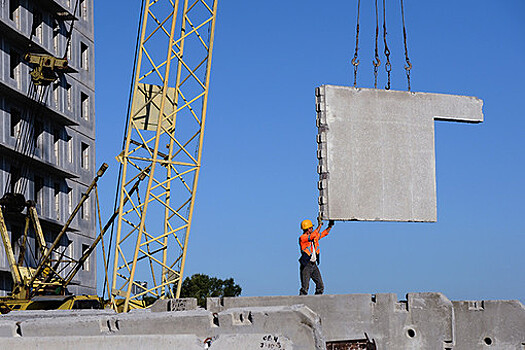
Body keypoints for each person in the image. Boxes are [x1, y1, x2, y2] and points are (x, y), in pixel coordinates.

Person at [298, 217, 334, 295]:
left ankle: (317, 300)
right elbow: (312, 236)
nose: (312, 229)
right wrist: (320, 225)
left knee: (320, 286)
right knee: (305, 288)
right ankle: (301, 302)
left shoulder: (313, 237)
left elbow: (323, 233)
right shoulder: (303, 238)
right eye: (311, 228)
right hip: (306, 265)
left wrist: (330, 226)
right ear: (308, 229)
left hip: (313, 265)